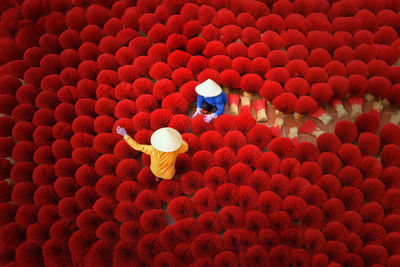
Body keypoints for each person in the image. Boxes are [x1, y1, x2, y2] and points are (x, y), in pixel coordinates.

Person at [116, 126, 188, 181]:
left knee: (158, 175)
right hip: (168, 174)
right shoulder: (175, 150)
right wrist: (177, 141)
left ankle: (157, 179)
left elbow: (136, 146)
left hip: (155, 171)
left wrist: (125, 135)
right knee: (169, 177)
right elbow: (185, 147)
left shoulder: (151, 149)